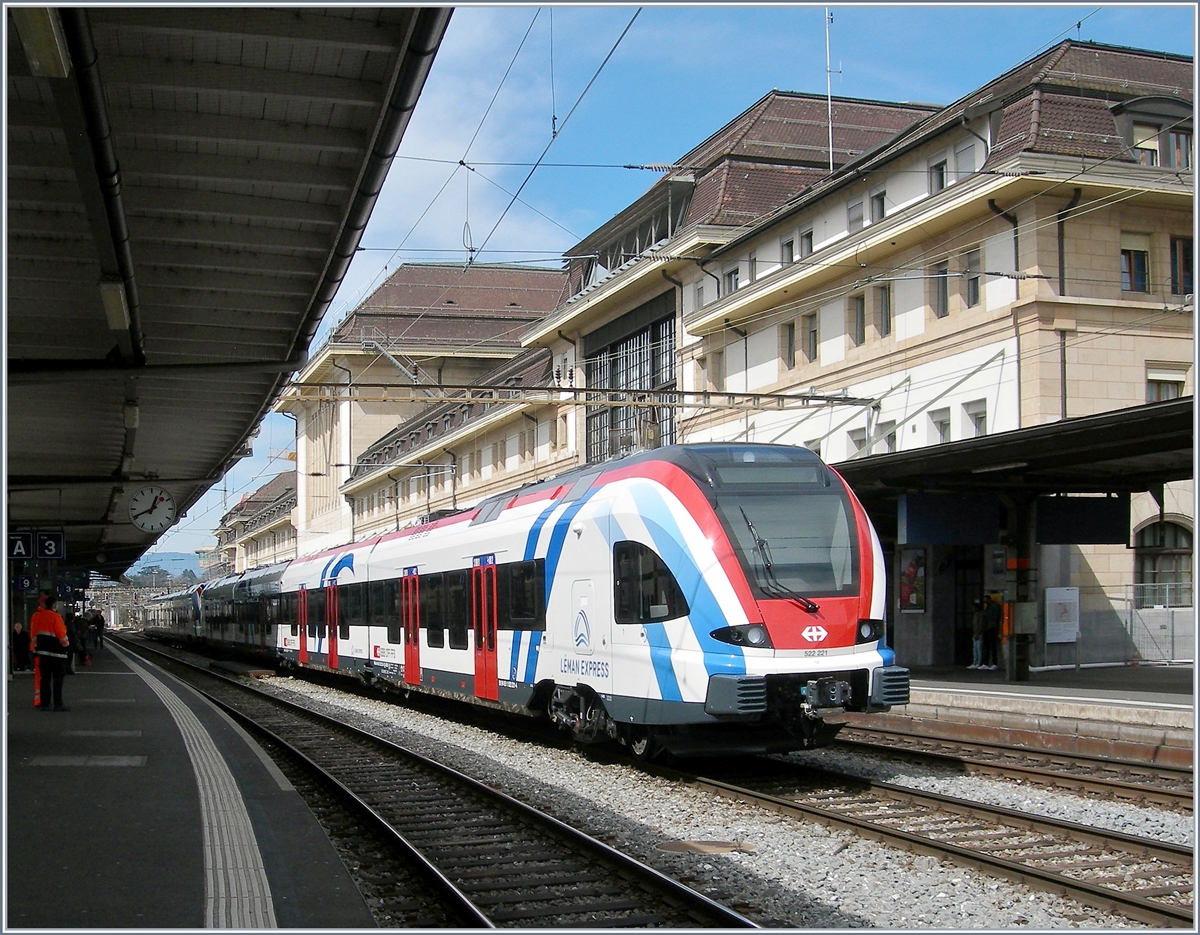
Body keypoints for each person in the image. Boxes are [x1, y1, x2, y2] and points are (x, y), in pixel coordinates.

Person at [30, 594, 71, 711]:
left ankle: (45, 704)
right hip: (57, 655)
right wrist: (67, 646)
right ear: (54, 605)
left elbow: (34, 634)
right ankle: (58, 704)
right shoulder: (56, 617)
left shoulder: (38, 616)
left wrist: (35, 649)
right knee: (58, 681)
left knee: (45, 680)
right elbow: (61, 635)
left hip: (42, 654)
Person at [983, 595, 1003, 671]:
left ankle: (994, 663)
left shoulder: (993, 607)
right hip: (989, 627)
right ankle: (987, 663)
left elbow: (994, 617)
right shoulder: (989, 607)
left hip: (992, 627)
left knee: (992, 645)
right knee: (988, 646)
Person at [968, 600, 985, 669]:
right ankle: (975, 662)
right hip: (975, 633)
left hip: (979, 633)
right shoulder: (975, 615)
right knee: (975, 649)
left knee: (978, 649)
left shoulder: (980, 615)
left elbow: (980, 625)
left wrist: (978, 633)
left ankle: (978, 663)